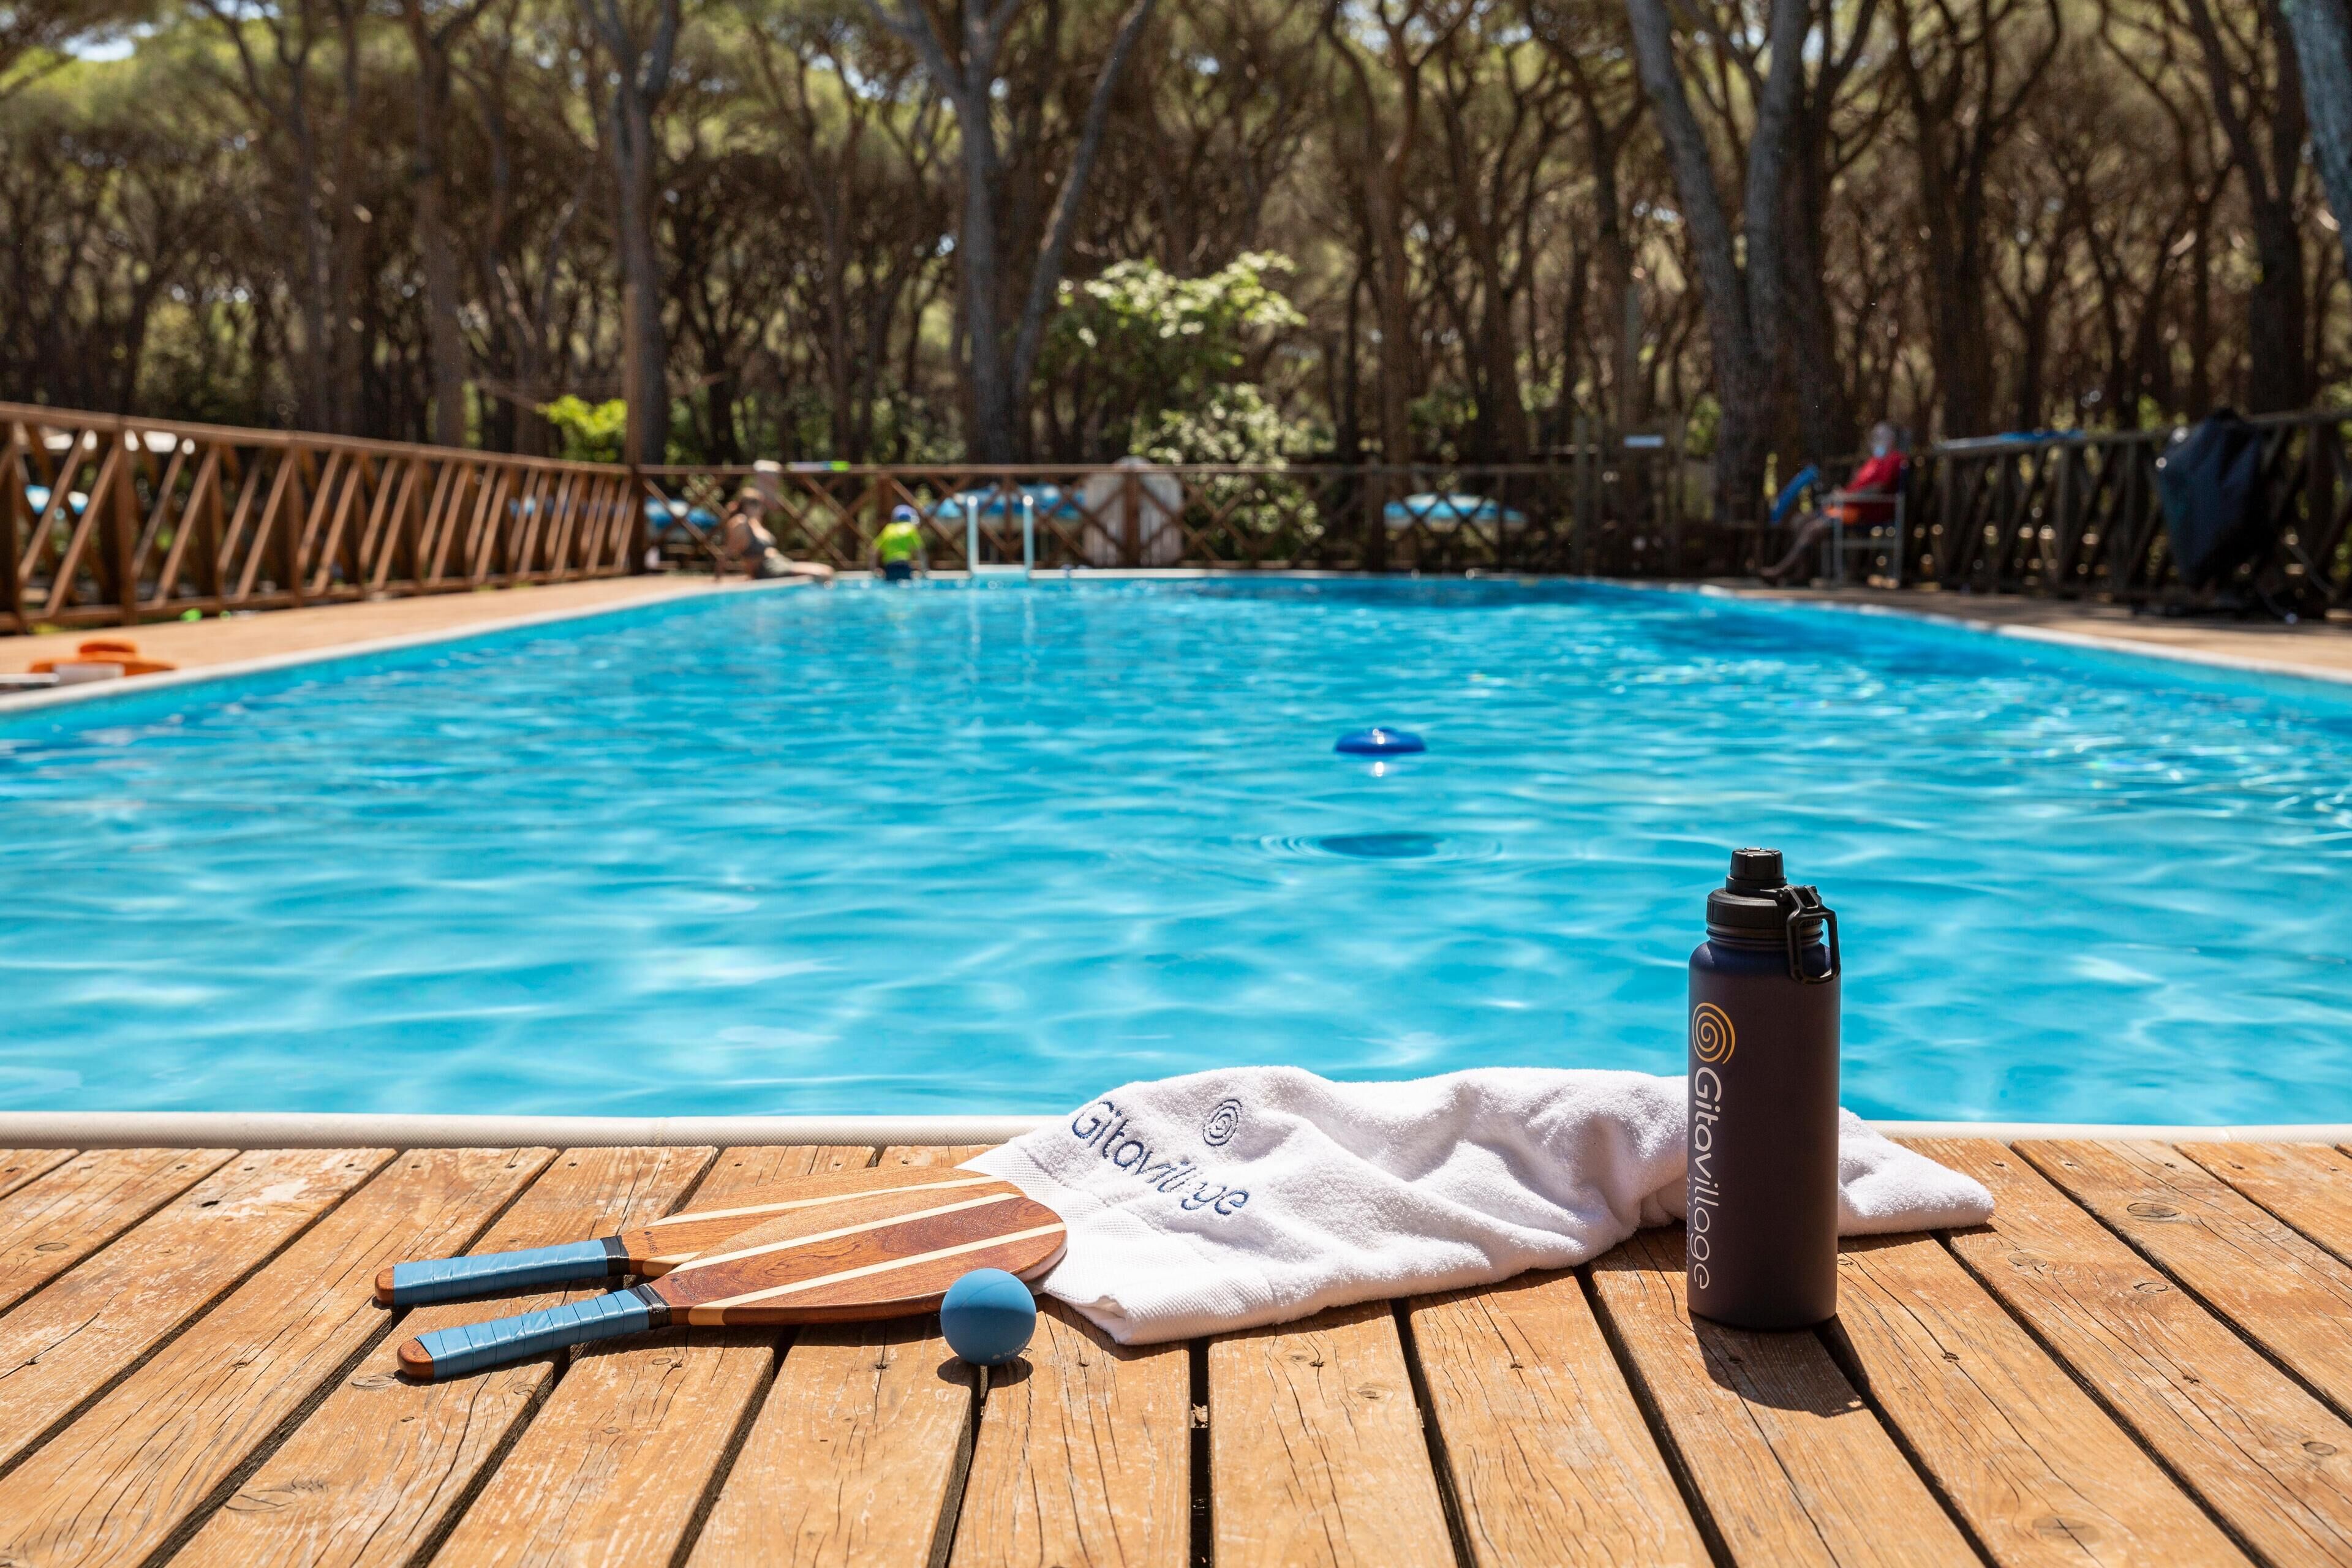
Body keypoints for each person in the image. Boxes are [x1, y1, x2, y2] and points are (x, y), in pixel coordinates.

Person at [1760, 422, 1905, 586]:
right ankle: (1802, 574)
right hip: (1844, 507)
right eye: (1874, 436)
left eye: (1880, 436)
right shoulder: (1873, 462)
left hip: (1863, 513)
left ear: (1892, 439)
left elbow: (1878, 488)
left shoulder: (1895, 459)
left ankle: (1781, 571)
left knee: (1813, 529)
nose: (1876, 440)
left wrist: (1847, 498)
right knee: (1799, 521)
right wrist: (1842, 495)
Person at [871, 503, 929, 582]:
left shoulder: (888, 529)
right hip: (904, 565)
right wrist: (924, 570)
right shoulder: (910, 529)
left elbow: (873, 551)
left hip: (890, 567)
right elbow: (920, 551)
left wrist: (873, 570)